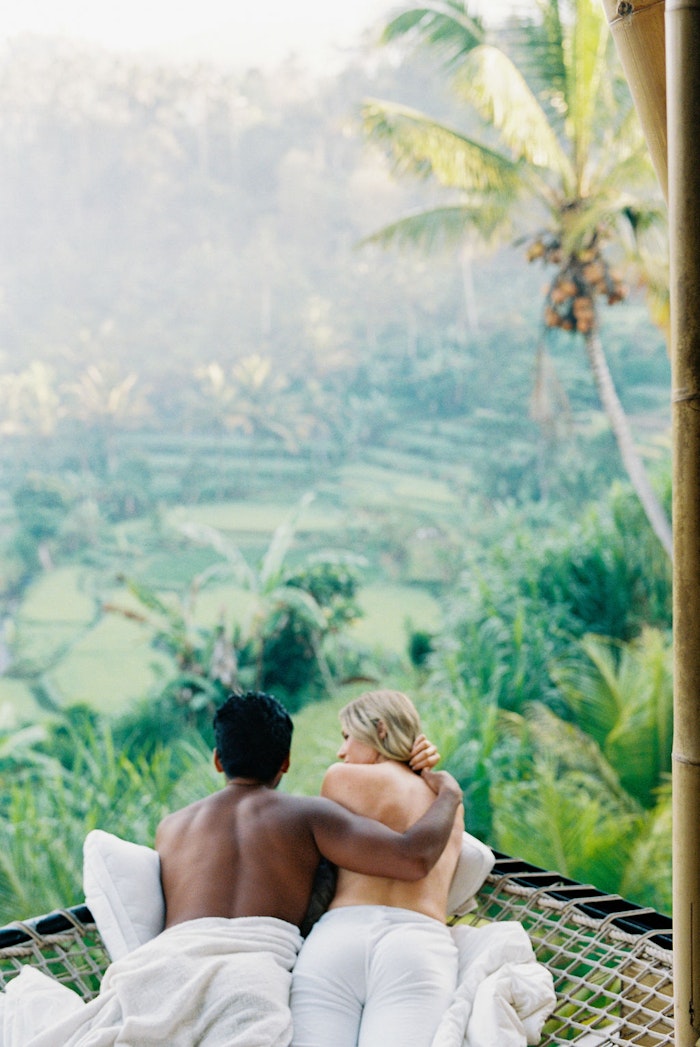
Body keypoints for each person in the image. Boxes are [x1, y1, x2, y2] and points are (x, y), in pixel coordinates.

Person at [0, 691, 462, 1047]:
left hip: (161, 971)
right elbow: (409, 856)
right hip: (251, 977)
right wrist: (445, 791)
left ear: (218, 760)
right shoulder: (308, 817)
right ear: (285, 762)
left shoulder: (171, 828)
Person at [290, 689, 464, 1047]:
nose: (342, 751)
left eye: (348, 736)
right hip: (418, 949)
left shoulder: (340, 778)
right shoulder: (448, 805)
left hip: (340, 940)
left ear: (380, 730)